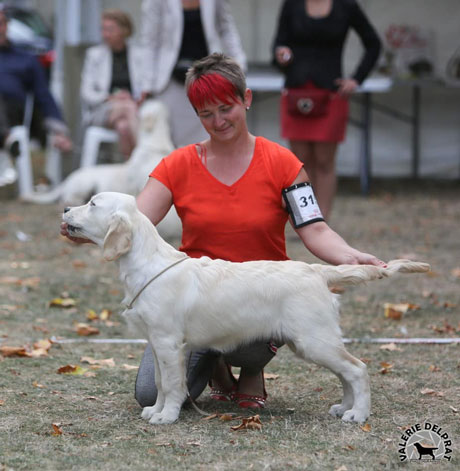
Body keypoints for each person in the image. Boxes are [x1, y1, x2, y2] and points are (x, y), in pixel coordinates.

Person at [62, 53, 386, 410]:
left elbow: (316, 229)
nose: (217, 121)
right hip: (194, 301)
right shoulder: (176, 164)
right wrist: (87, 229)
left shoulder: (284, 163)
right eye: (205, 113)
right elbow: (134, 222)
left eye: (225, 108)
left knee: (254, 332)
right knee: (148, 395)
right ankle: (213, 364)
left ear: (245, 99)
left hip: (263, 296)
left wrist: (350, 257)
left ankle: (251, 370)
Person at [273, 0, 381, 220]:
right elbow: (278, 45)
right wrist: (281, 54)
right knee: (299, 161)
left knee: (324, 160)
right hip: (297, 91)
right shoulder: (291, 5)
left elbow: (373, 44)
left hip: (331, 93)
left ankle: (322, 220)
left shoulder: (346, 6)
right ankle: (304, 219)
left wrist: (356, 79)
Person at [139, 0, 246, 147]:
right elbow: (149, 41)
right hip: (170, 80)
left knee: (208, 133)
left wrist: (239, 64)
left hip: (208, 78)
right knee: (169, 141)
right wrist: (146, 83)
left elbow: (226, 29)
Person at [0, 6, 72, 155]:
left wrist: (58, 130)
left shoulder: (26, 59)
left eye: (1, 23)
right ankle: (6, 137)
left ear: (7, 26)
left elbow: (43, 94)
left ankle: (6, 136)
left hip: (14, 114)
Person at [80, 9, 152, 159]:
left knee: (123, 128)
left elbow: (147, 84)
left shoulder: (140, 54)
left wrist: (135, 97)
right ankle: (145, 158)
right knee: (127, 107)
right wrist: (110, 97)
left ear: (124, 31)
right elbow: (86, 92)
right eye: (103, 29)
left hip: (132, 109)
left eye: (110, 29)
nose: (105, 34)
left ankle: (129, 169)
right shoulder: (94, 55)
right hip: (103, 110)